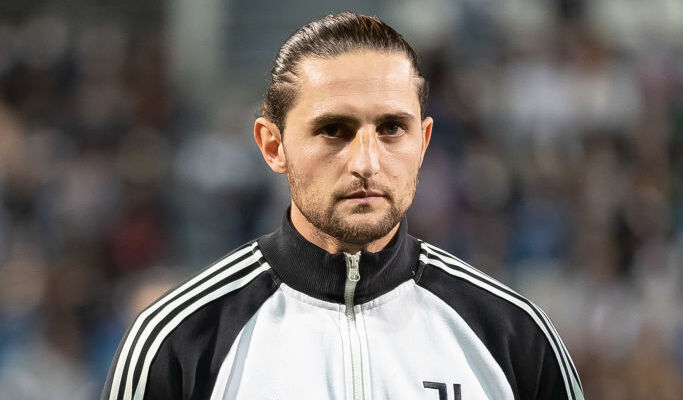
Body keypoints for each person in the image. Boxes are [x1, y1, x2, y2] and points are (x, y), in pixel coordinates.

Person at [101, 12, 584, 400]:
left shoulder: (513, 335)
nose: (366, 163)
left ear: (423, 142)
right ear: (273, 146)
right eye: (334, 130)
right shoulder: (179, 341)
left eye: (392, 128)